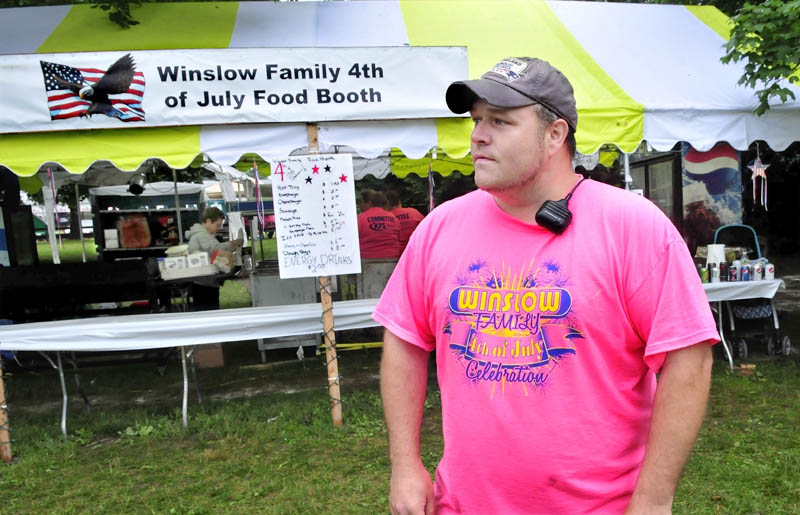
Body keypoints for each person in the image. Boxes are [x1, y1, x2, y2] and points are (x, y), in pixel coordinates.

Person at [373, 57, 719, 514]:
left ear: (555, 134)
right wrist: (404, 463)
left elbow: (688, 359)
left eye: (500, 120)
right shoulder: (441, 227)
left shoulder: (632, 227)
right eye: (477, 120)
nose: (477, 134)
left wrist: (653, 501)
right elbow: (404, 339)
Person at [185, 206, 242, 310]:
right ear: (208, 221)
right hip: (203, 283)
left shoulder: (203, 234)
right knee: (208, 313)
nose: (218, 228)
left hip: (203, 281)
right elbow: (216, 249)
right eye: (217, 225)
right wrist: (234, 243)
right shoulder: (201, 235)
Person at [357, 189, 401, 259]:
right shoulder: (392, 217)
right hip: (392, 259)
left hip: (367, 260)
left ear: (368, 202)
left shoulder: (360, 219)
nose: (359, 205)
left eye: (361, 202)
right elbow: (398, 236)